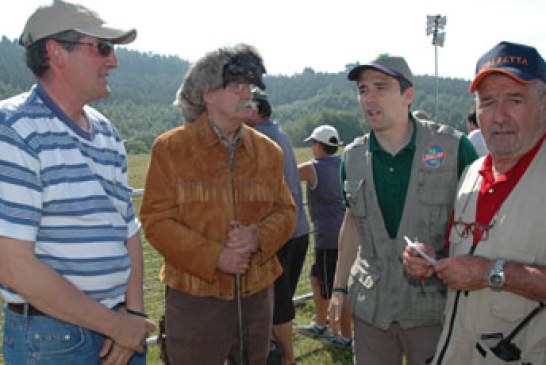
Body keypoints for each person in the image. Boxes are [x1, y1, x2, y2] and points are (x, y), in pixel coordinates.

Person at [0, 1, 156, 364]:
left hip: (119, 327)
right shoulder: (14, 130)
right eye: (102, 47)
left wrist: (131, 317)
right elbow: (12, 265)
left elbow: (128, 230)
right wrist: (116, 326)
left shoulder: (106, 131)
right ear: (56, 53)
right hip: (53, 339)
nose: (113, 61)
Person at [139, 44, 297, 364]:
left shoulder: (269, 152)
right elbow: (156, 220)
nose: (246, 94)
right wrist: (216, 257)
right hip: (195, 298)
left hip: (257, 297)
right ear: (206, 94)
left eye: (249, 87)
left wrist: (257, 237)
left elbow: (287, 212)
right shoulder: (171, 149)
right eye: (236, 86)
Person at [328, 54, 478, 365]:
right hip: (372, 310)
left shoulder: (454, 149)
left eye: (381, 87)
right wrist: (339, 288)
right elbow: (353, 223)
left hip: (432, 309)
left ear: (408, 95)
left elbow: (478, 227)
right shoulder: (352, 158)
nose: (369, 97)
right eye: (363, 89)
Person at [403, 41, 546, 364]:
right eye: (487, 102)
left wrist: (494, 273)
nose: (498, 116)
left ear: (545, 103)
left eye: (515, 100)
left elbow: (485, 268)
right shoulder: (472, 174)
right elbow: (471, 254)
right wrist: (433, 260)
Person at [246, 88, 310, 365]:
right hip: (298, 229)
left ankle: (286, 358)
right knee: (280, 300)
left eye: (245, 106)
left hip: (280, 232)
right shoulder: (280, 133)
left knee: (277, 303)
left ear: (257, 111)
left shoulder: (261, 140)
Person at [297, 125, 353, 350]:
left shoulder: (313, 168)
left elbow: (285, 171)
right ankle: (321, 323)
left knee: (338, 288)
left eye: (312, 143)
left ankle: (346, 337)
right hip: (336, 233)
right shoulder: (341, 163)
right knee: (316, 277)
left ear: (319, 146)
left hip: (329, 237)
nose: (311, 147)